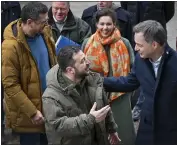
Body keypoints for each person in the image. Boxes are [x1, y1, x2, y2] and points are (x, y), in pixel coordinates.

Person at [103, 20, 177, 145]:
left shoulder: (175, 63)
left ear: (154, 45)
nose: (136, 48)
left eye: (140, 45)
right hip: (147, 130)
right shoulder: (140, 60)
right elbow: (129, 82)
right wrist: (99, 82)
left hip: (171, 132)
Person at [2, 2, 57, 145]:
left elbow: (53, 62)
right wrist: (32, 111)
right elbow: (10, 85)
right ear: (30, 22)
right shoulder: (10, 47)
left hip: (48, 106)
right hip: (28, 115)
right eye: (43, 22)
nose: (46, 25)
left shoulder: (44, 33)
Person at [42, 45, 121, 145]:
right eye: (82, 61)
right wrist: (90, 119)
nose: (88, 62)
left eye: (85, 58)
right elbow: (58, 125)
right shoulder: (51, 97)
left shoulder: (92, 79)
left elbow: (104, 107)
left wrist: (111, 129)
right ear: (70, 70)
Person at [82, 8, 135, 145]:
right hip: (95, 95)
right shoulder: (87, 43)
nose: (105, 28)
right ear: (96, 25)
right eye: (102, 24)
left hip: (119, 96)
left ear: (114, 24)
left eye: (109, 24)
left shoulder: (125, 43)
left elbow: (133, 69)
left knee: (123, 134)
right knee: (98, 134)